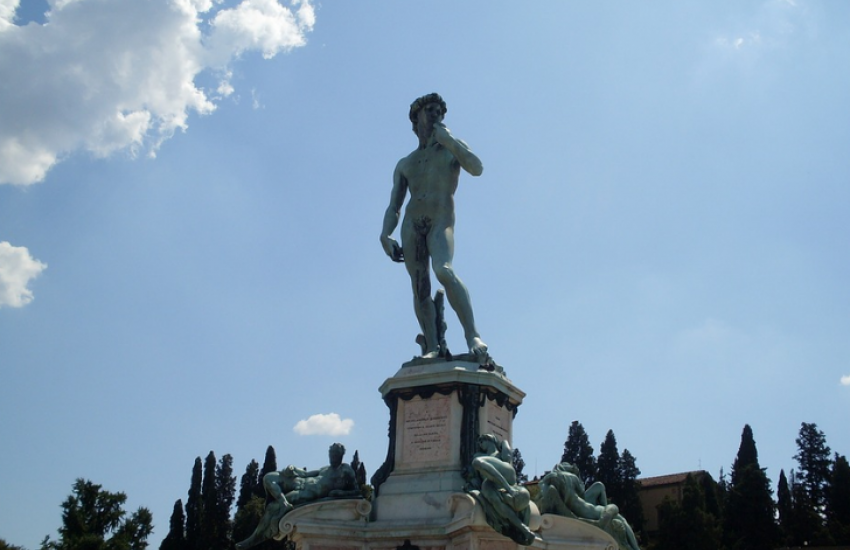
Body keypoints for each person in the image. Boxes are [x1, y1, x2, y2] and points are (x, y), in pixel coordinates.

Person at [380, 93, 489, 363]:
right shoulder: (405, 163)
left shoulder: (450, 148)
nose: (437, 114)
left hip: (440, 220)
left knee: (444, 270)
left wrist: (450, 141)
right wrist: (385, 234)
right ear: (416, 119)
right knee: (420, 287)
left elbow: (477, 168)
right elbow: (394, 205)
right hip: (411, 223)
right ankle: (431, 344)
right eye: (431, 110)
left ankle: (473, 335)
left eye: (440, 110)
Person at [235, 443, 359, 550]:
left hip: (307, 493)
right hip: (300, 482)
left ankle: (252, 540)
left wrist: (340, 493)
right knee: (269, 477)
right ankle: (284, 504)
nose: (332, 457)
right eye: (331, 454)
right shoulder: (325, 468)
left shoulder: (345, 470)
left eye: (335, 454)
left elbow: (356, 492)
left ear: (341, 455)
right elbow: (306, 474)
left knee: (272, 508)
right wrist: (293, 469)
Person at [538, 462, 640, 550]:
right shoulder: (572, 478)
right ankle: (636, 548)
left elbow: (543, 493)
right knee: (622, 520)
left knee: (619, 518)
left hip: (591, 511)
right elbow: (581, 494)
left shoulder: (552, 480)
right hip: (596, 512)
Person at [468, 434, 536, 546]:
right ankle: (523, 529)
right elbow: (475, 476)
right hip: (490, 484)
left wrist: (504, 442)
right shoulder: (479, 455)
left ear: (489, 440)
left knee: (477, 462)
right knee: (496, 503)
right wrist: (473, 480)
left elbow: (508, 457)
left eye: (481, 441)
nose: (480, 445)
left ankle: (509, 489)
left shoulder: (498, 455)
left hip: (507, 481)